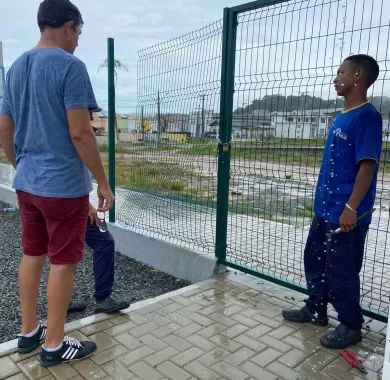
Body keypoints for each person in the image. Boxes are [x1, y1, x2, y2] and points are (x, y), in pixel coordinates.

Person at [0, 0, 114, 367]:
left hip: (27, 181)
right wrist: (102, 182)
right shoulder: (70, 67)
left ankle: (28, 332)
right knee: (63, 262)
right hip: (62, 185)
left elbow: (4, 128)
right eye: (78, 32)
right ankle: (53, 344)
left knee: (32, 254)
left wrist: (22, 165)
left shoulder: (15, 68)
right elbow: (81, 133)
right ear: (68, 25)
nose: (78, 41)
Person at [282, 54, 382, 349]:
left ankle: (351, 325)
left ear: (358, 76)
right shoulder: (341, 116)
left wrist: (351, 208)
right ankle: (315, 309)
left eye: (341, 72)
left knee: (341, 269)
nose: (335, 78)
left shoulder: (367, 116)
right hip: (324, 209)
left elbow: (367, 165)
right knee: (315, 260)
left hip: (346, 214)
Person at [68, 202, 130, 314]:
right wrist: (86, 205)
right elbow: (67, 184)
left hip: (38, 196)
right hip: (69, 201)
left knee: (63, 249)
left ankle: (61, 302)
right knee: (104, 242)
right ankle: (103, 299)